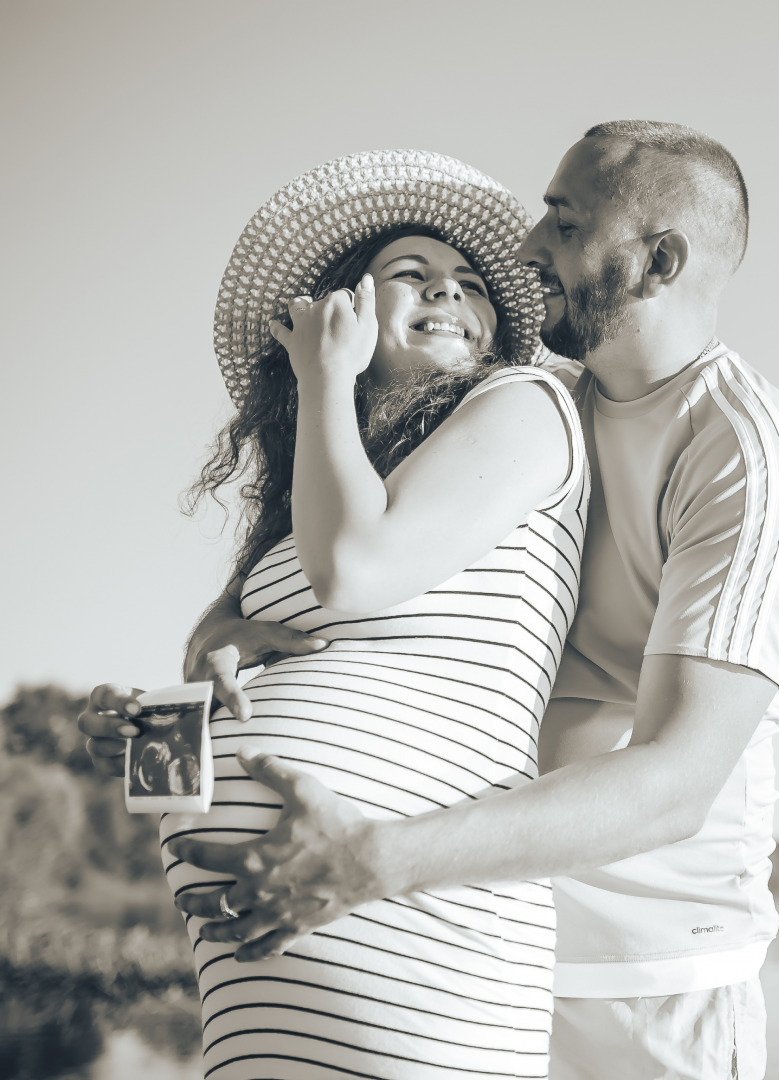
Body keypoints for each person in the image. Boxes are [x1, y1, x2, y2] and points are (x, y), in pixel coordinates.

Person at [86, 122, 779, 1080]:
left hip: (636, 979)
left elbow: (677, 784)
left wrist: (378, 860)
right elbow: (357, 629)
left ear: (660, 259)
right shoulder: (513, 405)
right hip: (408, 924)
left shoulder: (743, 452)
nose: (525, 249)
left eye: (562, 225)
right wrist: (199, 674)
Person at [80, 149, 587, 1078]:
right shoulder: (316, 498)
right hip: (257, 961)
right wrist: (158, 733)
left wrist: (324, 380)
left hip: (421, 939)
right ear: (344, 301)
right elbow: (299, 665)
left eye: (471, 284)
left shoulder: (525, 403)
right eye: (413, 274)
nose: (450, 291)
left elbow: (355, 571)